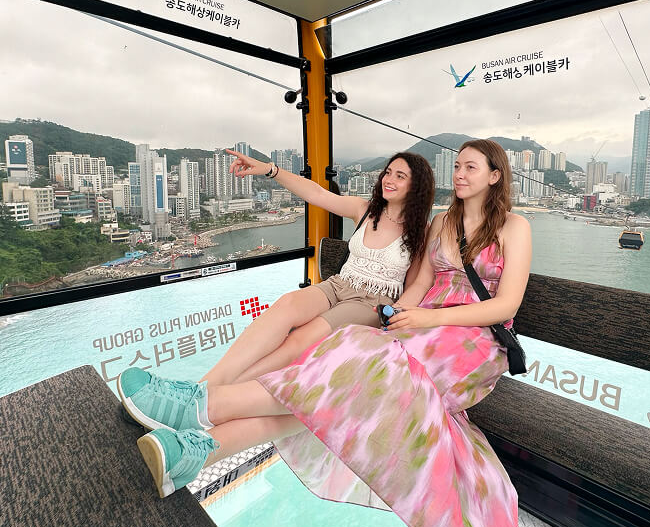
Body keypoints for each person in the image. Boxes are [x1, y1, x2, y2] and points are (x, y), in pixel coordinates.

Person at [122, 140, 531, 527]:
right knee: (341, 383)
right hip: (422, 322)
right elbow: (420, 286)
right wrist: (398, 317)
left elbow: (506, 306)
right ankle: (199, 451)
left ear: (495, 175)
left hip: (471, 340)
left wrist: (422, 318)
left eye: (470, 167)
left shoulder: (514, 227)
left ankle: (201, 407)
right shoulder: (444, 224)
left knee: (347, 366)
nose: (460, 173)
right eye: (458, 165)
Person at [119, 147, 435, 424]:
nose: (389, 180)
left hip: (371, 302)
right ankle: (200, 387)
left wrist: (396, 318)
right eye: (388, 172)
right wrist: (270, 170)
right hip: (339, 284)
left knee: (299, 340)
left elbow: (416, 284)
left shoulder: (421, 231)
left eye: (400, 176)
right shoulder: (365, 210)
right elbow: (316, 194)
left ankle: (203, 402)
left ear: (416, 186)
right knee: (285, 306)